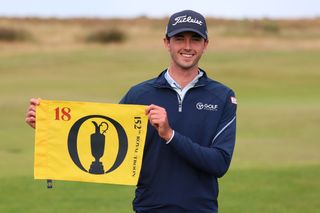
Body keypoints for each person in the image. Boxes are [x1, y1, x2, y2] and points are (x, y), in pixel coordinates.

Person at [26, 10, 237, 213]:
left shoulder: (222, 97)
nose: (187, 46)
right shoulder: (139, 95)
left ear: (205, 44)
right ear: (167, 42)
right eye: (180, 38)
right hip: (149, 208)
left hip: (201, 210)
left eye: (196, 39)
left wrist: (170, 135)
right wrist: (50, 127)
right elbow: (106, 142)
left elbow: (219, 163)